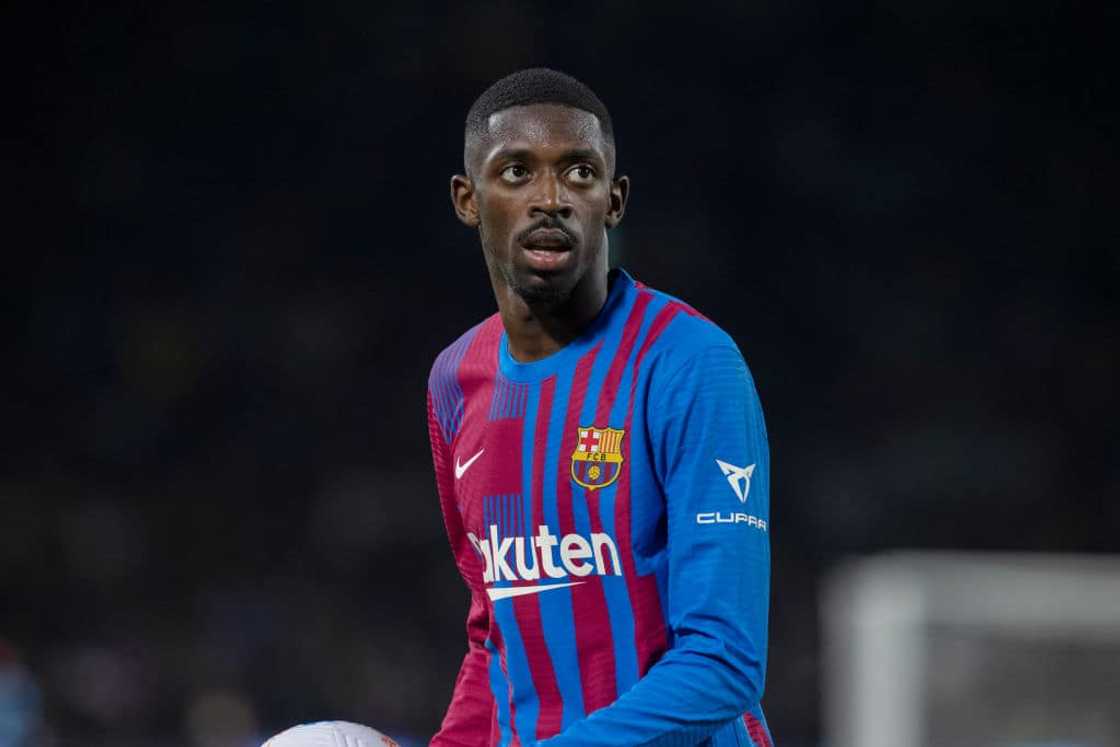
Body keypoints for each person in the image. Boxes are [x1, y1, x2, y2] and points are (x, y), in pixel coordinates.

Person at [426, 68, 773, 746]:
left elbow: (724, 660)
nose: (550, 198)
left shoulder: (689, 363)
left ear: (614, 201)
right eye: (517, 172)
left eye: (579, 173)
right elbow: (494, 636)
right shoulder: (453, 380)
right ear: (469, 199)